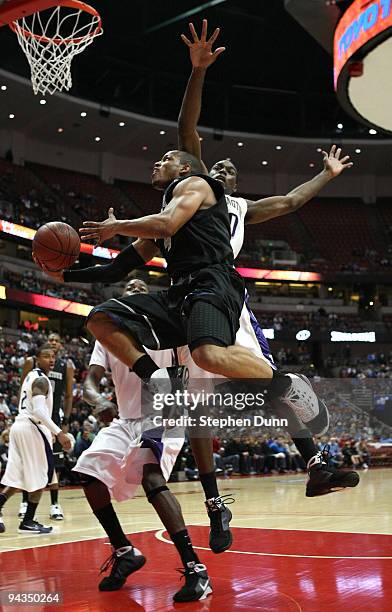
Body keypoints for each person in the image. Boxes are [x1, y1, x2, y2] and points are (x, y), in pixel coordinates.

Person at [176, 19, 360, 498]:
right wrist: (199, 72)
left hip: (223, 291)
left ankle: (314, 462)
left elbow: (293, 201)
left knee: (266, 381)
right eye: (216, 165)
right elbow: (187, 128)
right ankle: (195, 481)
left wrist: (326, 175)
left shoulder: (243, 207)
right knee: (197, 390)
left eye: (229, 169)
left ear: (235, 185)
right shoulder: (197, 187)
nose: (221, 168)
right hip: (191, 285)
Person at [74, 279, 212, 603]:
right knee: (86, 472)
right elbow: (89, 385)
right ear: (120, 300)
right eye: (128, 285)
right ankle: (125, 551)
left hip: (165, 414)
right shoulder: (108, 332)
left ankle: (196, 569)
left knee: (150, 475)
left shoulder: (168, 327)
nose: (135, 283)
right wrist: (98, 402)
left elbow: (186, 376)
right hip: (124, 419)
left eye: (141, 283)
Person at [0, 344, 71, 535]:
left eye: (54, 356)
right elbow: (39, 410)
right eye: (47, 356)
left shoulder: (30, 377)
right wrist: (59, 433)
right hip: (32, 428)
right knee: (44, 474)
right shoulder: (41, 379)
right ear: (36, 359)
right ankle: (28, 521)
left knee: (18, 476)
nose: (52, 359)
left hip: (20, 426)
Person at [19, 332, 74, 521]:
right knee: (30, 461)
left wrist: (65, 422)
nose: (54, 343)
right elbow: (23, 388)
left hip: (53, 418)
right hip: (34, 417)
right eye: (51, 340)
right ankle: (25, 502)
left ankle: (54, 504)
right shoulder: (32, 364)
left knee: (55, 464)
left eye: (57, 341)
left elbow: (68, 395)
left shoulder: (65, 366)